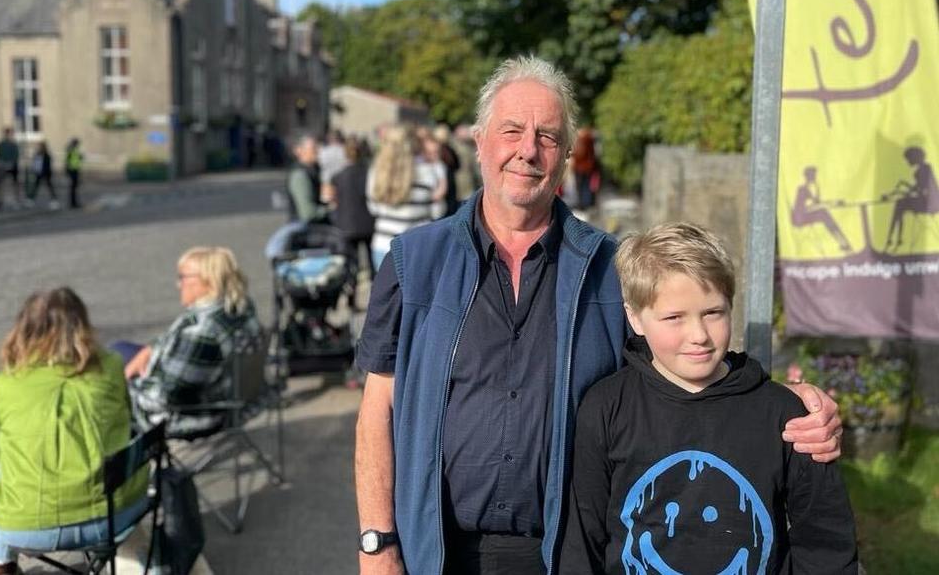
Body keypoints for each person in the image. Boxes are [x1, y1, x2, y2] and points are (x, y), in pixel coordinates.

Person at [354, 56, 842, 575]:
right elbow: (376, 412)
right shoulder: (414, 263)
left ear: (566, 154)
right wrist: (377, 544)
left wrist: (787, 404)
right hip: (436, 550)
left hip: (562, 554)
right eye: (512, 130)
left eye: (547, 136)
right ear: (479, 141)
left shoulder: (609, 268)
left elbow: (679, 363)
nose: (527, 150)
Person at [559, 222, 857, 574]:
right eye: (674, 318)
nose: (698, 335)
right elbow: (582, 540)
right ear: (635, 317)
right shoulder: (606, 408)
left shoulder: (787, 417)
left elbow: (825, 543)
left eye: (713, 312)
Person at [0, 288, 149, 575]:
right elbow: (127, 421)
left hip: (26, 528)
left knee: (1, 477)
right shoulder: (110, 366)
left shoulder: (6, 381)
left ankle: (2, 565)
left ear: (23, 329)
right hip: (113, 517)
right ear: (81, 326)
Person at [120, 246, 264, 436]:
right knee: (121, 350)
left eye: (183, 277)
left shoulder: (201, 333)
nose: (178, 284)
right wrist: (148, 352)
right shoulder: (239, 306)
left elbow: (164, 398)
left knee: (98, 380)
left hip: (192, 414)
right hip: (230, 395)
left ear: (209, 281)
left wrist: (122, 387)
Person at [365, 124, 442, 272]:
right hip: (419, 246)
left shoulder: (376, 174)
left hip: (383, 245)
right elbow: (436, 213)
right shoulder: (427, 172)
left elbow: (373, 209)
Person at [330, 136, 376, 277]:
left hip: (347, 223)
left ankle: (351, 295)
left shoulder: (337, 176)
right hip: (368, 222)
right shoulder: (370, 173)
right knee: (372, 263)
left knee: (351, 265)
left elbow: (333, 200)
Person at [884, 146, 939, 250]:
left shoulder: (923, 170)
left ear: (914, 158)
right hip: (931, 202)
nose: (907, 162)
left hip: (930, 204)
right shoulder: (924, 169)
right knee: (900, 204)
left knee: (900, 204)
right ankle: (897, 239)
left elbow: (921, 190)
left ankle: (893, 239)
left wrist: (904, 193)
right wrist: (901, 191)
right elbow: (916, 189)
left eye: (908, 159)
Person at [790, 166, 851, 252]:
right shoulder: (802, 189)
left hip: (807, 216)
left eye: (814, 175)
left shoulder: (814, 187)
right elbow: (808, 208)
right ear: (807, 176)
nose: (814, 177)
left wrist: (834, 202)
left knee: (824, 214)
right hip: (799, 219)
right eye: (812, 175)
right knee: (824, 214)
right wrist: (828, 204)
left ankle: (843, 242)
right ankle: (843, 242)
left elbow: (817, 203)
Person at [287, 134, 328, 223]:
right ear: (299, 151)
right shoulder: (299, 175)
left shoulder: (316, 169)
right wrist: (331, 210)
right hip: (305, 228)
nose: (318, 151)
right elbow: (308, 213)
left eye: (318, 147)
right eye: (313, 148)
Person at [570, 127, 599, 211]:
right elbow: (593, 154)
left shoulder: (581, 139)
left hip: (579, 167)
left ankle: (582, 204)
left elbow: (577, 153)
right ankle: (587, 203)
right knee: (586, 186)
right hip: (588, 167)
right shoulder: (590, 139)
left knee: (580, 186)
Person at [28, 141, 60, 209]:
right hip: (38, 173)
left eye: (40, 146)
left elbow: (48, 165)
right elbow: (34, 163)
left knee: (49, 187)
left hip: (46, 173)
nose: (39, 148)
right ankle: (31, 199)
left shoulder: (46, 155)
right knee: (36, 186)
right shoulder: (37, 154)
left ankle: (54, 200)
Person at [0, 127, 21, 208]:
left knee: (14, 184)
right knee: (2, 184)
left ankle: (16, 201)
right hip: (3, 165)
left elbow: (16, 155)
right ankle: (2, 201)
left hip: (12, 166)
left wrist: (11, 163)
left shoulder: (13, 144)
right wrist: (1, 163)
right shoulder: (1, 144)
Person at [64, 137, 83, 209]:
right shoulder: (71, 150)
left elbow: (76, 159)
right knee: (73, 188)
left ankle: (74, 202)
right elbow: (67, 161)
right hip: (72, 170)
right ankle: (72, 203)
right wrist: (67, 171)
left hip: (75, 170)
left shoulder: (74, 150)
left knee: (74, 187)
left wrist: (80, 157)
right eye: (77, 143)